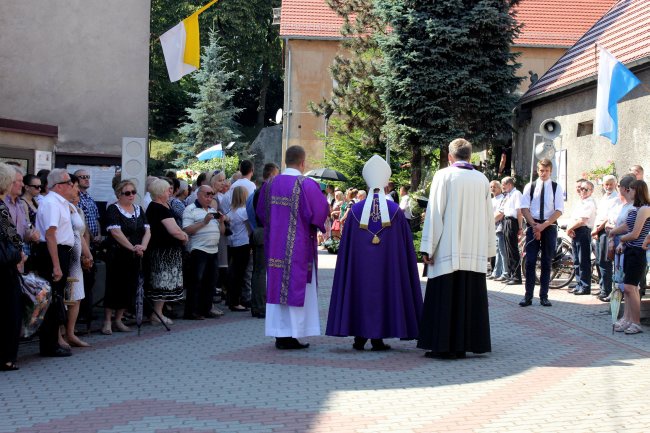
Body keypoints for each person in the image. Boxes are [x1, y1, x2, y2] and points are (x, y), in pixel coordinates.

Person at [327, 156, 423, 350]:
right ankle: (378, 337)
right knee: (386, 290)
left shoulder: (355, 211)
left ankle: (359, 337)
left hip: (360, 266)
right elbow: (405, 247)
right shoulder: (395, 211)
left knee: (359, 290)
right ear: (386, 184)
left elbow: (347, 246)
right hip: (388, 266)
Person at [418, 139, 495, 359]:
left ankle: (443, 346)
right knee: (467, 297)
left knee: (445, 297)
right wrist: (489, 249)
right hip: (474, 249)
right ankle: (463, 345)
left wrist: (428, 247)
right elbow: (489, 217)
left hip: (447, 248)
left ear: (450, 156)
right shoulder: (482, 179)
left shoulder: (444, 175)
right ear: (470, 156)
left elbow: (435, 213)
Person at [256, 145, 329, 350]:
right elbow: (320, 211)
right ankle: (293, 334)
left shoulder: (269, 185)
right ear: (303, 162)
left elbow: (261, 213)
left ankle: (280, 334)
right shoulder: (306, 184)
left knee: (276, 287)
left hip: (274, 248)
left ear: (285, 161)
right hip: (298, 248)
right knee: (297, 288)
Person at [34, 169, 76, 357]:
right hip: (53, 252)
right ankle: (49, 345)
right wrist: (56, 265)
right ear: (58, 186)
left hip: (61, 251)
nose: (71, 186)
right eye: (68, 183)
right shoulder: (52, 203)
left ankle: (53, 341)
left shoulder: (61, 202)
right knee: (52, 299)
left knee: (57, 298)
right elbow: (51, 235)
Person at [102, 180, 150, 335]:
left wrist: (143, 246)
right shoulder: (113, 209)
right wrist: (132, 248)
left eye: (133, 192)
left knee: (129, 286)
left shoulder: (138, 209)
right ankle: (107, 321)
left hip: (135, 254)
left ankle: (119, 319)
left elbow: (147, 230)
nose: (131, 196)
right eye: (127, 193)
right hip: (117, 254)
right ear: (119, 194)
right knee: (114, 286)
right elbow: (116, 233)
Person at [519, 159, 564, 306]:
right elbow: (524, 207)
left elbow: (559, 210)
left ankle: (544, 295)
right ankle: (528, 296)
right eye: (541, 170)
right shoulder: (530, 186)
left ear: (550, 171)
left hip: (549, 226)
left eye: (546, 171)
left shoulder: (556, 187)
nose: (543, 173)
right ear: (537, 171)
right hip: (533, 224)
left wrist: (543, 226)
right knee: (530, 261)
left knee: (546, 261)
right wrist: (534, 225)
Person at [610, 180, 650, 334]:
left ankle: (636, 322)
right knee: (627, 288)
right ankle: (627, 319)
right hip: (630, 250)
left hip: (638, 251)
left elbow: (635, 233)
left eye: (632, 189)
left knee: (631, 287)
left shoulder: (645, 209)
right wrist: (622, 243)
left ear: (638, 190)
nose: (629, 192)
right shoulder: (636, 208)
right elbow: (628, 227)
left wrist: (622, 240)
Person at [145, 178, 188, 325]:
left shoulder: (161, 205)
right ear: (160, 192)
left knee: (161, 283)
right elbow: (174, 230)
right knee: (162, 283)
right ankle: (157, 314)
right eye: (167, 189)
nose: (170, 191)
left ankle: (158, 312)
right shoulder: (159, 208)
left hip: (164, 249)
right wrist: (184, 236)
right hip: (163, 251)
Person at [182, 185, 225, 320]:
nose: (209, 197)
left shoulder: (212, 210)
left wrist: (222, 222)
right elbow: (187, 230)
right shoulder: (190, 210)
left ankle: (205, 309)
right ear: (198, 195)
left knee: (210, 282)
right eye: (207, 194)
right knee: (196, 281)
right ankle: (191, 311)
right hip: (198, 249)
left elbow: (222, 232)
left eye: (211, 195)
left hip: (213, 249)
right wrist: (204, 222)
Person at [0, 163, 25, 371]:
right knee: (9, 313)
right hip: (5, 268)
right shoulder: (2, 208)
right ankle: (6, 357)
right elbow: (14, 238)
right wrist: (20, 255)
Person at [247, 162, 280, 318]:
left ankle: (257, 304)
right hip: (264, 232)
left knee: (258, 271)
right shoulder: (267, 190)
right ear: (272, 173)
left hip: (258, 231)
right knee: (260, 272)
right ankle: (259, 306)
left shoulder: (259, 190)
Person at [64, 175, 92, 348]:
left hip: (77, 255)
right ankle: (62, 333)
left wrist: (87, 254)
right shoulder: (63, 206)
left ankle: (70, 332)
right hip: (68, 256)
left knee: (77, 295)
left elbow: (80, 234)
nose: (77, 190)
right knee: (68, 295)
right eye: (74, 187)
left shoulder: (75, 208)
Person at [74, 169, 101, 329]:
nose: (86, 179)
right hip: (78, 247)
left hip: (91, 245)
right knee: (76, 283)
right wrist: (90, 236)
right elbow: (81, 226)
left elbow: (95, 218)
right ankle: (77, 316)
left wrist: (98, 234)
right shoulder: (76, 199)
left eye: (88, 177)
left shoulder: (89, 198)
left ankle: (86, 311)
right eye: (82, 177)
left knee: (89, 280)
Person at [567, 180, 597, 295]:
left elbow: (582, 220)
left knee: (583, 260)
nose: (582, 191)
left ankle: (585, 287)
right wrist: (570, 229)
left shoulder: (589, 203)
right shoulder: (581, 202)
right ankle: (579, 284)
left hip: (583, 231)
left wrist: (569, 229)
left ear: (591, 191)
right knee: (576, 260)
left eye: (585, 189)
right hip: (576, 231)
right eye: (580, 189)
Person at [591, 175, 619, 300]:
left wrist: (598, 229)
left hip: (606, 231)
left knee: (605, 261)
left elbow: (609, 217)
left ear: (615, 184)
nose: (608, 186)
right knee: (599, 260)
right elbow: (599, 214)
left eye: (610, 184)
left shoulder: (616, 198)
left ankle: (606, 290)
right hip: (599, 231)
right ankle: (603, 287)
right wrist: (595, 230)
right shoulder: (604, 197)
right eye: (606, 184)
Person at [226, 186, 251, 311]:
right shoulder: (244, 211)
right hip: (243, 243)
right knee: (240, 274)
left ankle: (232, 299)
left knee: (234, 272)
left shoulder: (230, 211)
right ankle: (236, 301)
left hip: (233, 243)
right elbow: (249, 228)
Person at [496, 177, 523, 284]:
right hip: (506, 221)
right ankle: (511, 274)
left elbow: (519, 212)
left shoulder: (516, 193)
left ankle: (517, 276)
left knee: (513, 249)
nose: (502, 186)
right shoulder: (508, 195)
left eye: (503, 184)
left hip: (513, 222)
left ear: (510, 184)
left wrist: (520, 227)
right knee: (507, 250)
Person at [488, 180, 506, 280]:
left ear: (499, 188)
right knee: (495, 250)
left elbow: (500, 213)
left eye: (494, 187)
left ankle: (503, 272)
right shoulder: (491, 199)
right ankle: (495, 271)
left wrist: (490, 222)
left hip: (500, 226)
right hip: (493, 227)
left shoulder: (502, 198)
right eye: (491, 187)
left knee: (501, 250)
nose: (492, 189)